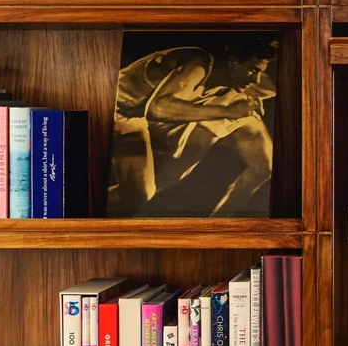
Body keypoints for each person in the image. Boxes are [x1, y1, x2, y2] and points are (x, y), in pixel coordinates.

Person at [108, 40, 277, 217]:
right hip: (109, 104)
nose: (256, 80)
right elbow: (159, 108)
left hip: (132, 119)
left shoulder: (227, 84)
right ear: (233, 61)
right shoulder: (199, 62)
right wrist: (229, 111)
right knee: (151, 186)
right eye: (253, 70)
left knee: (139, 195)